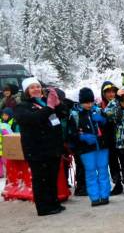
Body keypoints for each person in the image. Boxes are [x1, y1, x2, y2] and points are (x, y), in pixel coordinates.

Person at [16, 78, 67, 216]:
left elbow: (62, 114)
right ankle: (44, 207)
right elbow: (34, 119)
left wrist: (58, 104)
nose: (36, 89)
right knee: (41, 179)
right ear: (27, 91)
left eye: (38, 86)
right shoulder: (22, 106)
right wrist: (49, 108)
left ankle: (54, 203)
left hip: (52, 148)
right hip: (37, 150)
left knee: (52, 177)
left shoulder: (44, 103)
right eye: (32, 87)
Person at [70, 88, 111, 207]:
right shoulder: (75, 115)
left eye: (91, 102)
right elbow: (71, 134)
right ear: (80, 102)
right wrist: (82, 137)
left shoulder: (98, 111)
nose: (89, 104)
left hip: (102, 147)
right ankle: (94, 197)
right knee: (90, 172)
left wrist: (104, 121)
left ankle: (104, 196)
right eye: (86, 102)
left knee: (103, 171)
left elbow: (109, 127)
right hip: (86, 149)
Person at [99, 81, 124, 196]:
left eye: (113, 91)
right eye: (108, 92)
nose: (111, 94)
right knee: (113, 163)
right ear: (103, 94)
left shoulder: (121, 103)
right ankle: (117, 184)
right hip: (108, 139)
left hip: (122, 138)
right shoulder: (100, 106)